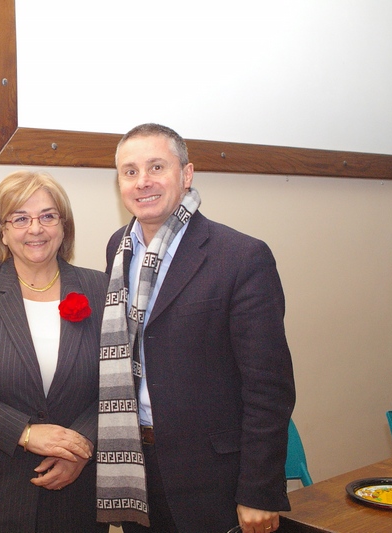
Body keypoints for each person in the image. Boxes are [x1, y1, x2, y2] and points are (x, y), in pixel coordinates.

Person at [96, 124, 296, 533]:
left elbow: (269, 388)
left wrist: (258, 490)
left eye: (156, 166)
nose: (143, 181)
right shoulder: (119, 248)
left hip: (215, 479)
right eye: (129, 171)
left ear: (186, 175)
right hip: (137, 468)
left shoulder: (241, 257)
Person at [0, 170, 109, 533]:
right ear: (2, 230)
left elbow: (119, 382)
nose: (36, 229)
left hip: (76, 496)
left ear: (64, 226)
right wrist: (26, 433)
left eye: (48, 216)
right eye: (20, 218)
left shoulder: (100, 287)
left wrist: (80, 447)